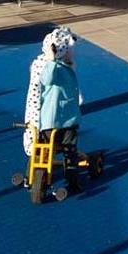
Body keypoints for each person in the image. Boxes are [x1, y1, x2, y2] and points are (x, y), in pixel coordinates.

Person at [21, 26, 83, 196]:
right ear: (63, 51)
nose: (73, 53)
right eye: (71, 50)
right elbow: (47, 79)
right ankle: (72, 181)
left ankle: (29, 177)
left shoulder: (50, 64)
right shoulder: (54, 67)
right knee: (69, 150)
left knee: (42, 149)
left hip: (51, 120)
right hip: (63, 120)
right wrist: (51, 60)